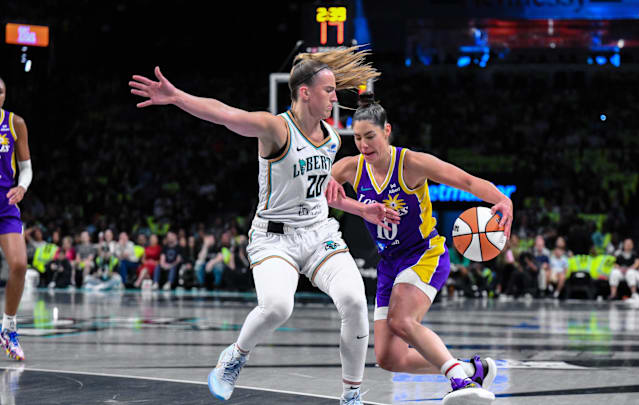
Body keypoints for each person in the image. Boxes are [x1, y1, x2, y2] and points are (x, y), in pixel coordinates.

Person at [130, 47, 389, 404]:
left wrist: (362, 209)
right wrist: (176, 97)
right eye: (328, 90)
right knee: (279, 307)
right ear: (305, 92)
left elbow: (323, 194)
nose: (335, 97)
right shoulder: (275, 128)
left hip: (319, 234)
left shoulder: (332, 139)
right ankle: (234, 357)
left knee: (355, 302)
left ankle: (351, 395)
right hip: (274, 238)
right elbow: (225, 115)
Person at [328, 95, 513, 404]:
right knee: (389, 358)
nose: (363, 144)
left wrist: (502, 199)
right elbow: (317, 192)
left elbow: (464, 180)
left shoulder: (411, 163)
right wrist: (358, 208)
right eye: (358, 138)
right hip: (390, 263)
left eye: (370, 136)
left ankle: (459, 381)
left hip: (424, 254)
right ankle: (471, 369)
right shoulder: (349, 168)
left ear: (387, 130)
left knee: (402, 320)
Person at [0, 77, 33, 361]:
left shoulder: (15, 123)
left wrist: (22, 186)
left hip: (5, 204)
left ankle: (8, 327)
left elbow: (26, 167)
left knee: (20, 265)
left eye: (0, 91)